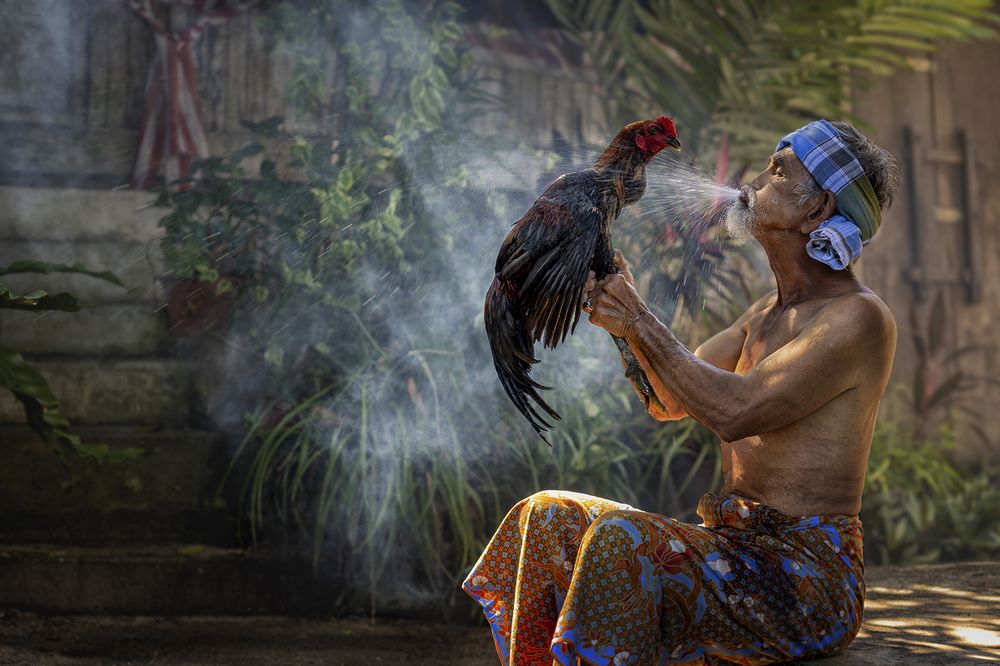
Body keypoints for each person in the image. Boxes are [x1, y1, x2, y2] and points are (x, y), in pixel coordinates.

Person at [463, 120, 900, 665]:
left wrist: (640, 320)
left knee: (621, 538)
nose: (756, 178)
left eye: (778, 168)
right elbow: (667, 401)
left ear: (815, 211)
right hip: (734, 552)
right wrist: (623, 327)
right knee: (545, 516)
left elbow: (735, 411)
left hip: (802, 582)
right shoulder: (766, 314)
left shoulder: (857, 318)